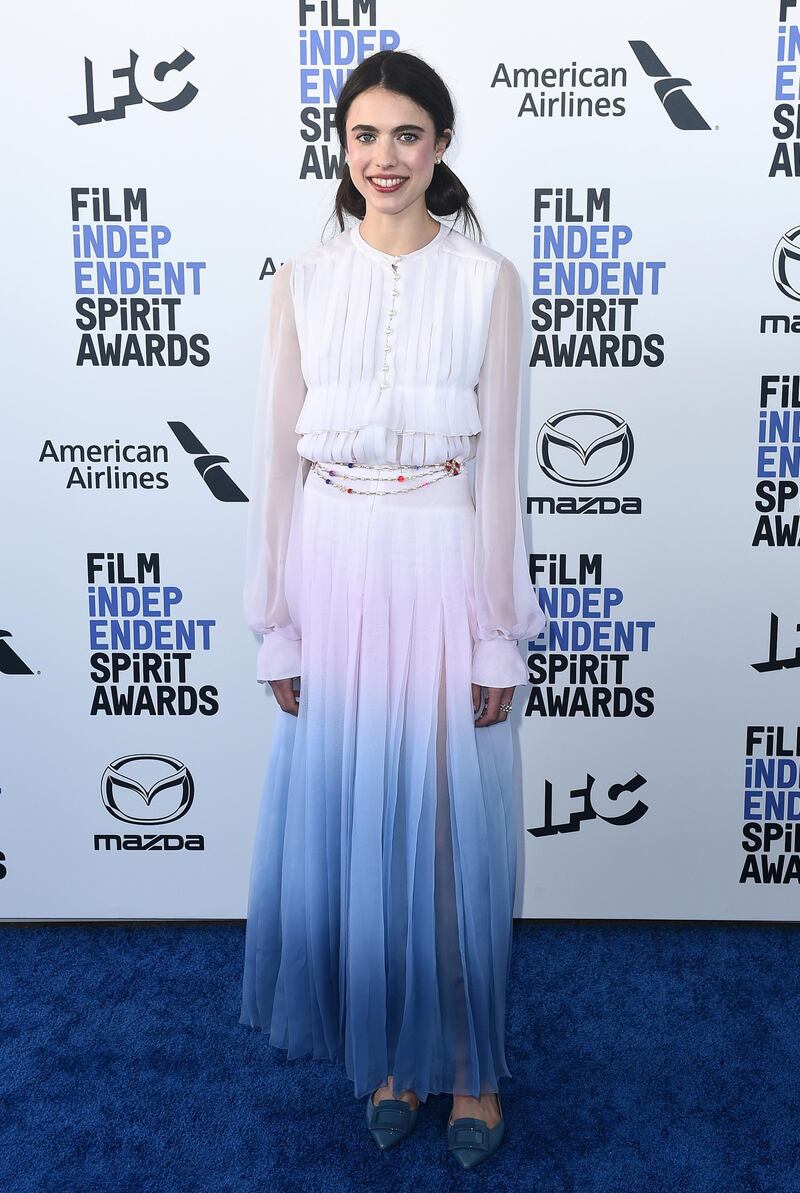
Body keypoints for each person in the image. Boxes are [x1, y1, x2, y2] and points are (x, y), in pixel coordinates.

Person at [239, 49, 546, 1170]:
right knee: (358, 829)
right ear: (341, 146)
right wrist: (278, 618)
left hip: (437, 551)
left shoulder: (485, 281)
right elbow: (275, 460)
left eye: (406, 135)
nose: (383, 158)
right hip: (330, 555)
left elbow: (500, 463)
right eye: (364, 136)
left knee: (447, 835)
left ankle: (468, 1062)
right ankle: (391, 1054)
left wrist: (492, 629)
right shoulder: (301, 281)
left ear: (442, 145)